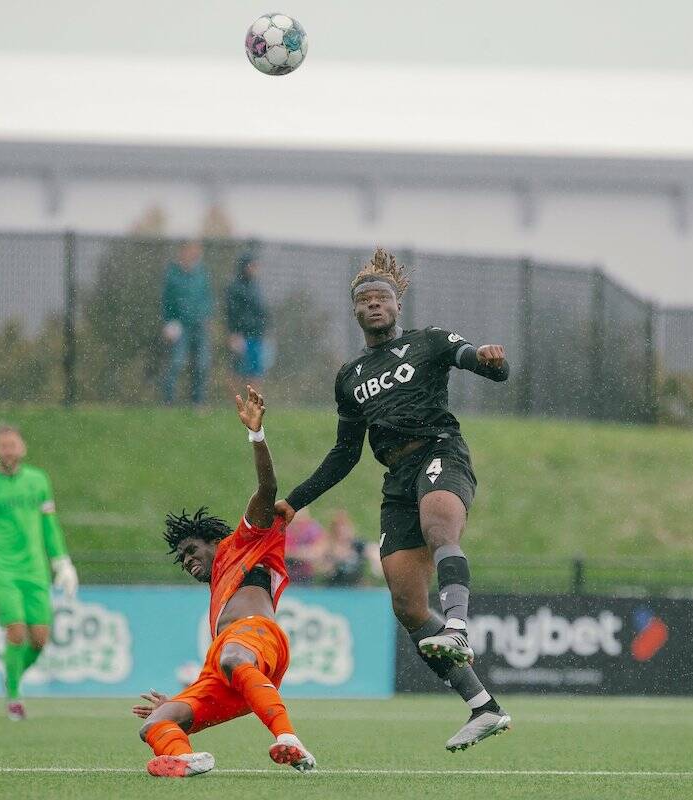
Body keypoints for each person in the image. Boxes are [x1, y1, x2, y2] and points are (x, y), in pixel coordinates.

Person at [274, 247, 512, 752]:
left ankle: (458, 626)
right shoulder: (350, 377)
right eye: (366, 300)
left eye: (383, 297)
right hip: (396, 478)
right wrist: (294, 502)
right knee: (405, 603)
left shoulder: (429, 342)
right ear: (356, 311)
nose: (375, 305)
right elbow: (344, 454)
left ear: (398, 305)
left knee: (440, 528)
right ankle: (483, 707)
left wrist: (491, 361)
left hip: (440, 451)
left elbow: (476, 360)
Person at [132, 386, 315, 778]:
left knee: (232, 655)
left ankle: (289, 739)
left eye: (192, 550)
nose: (188, 561)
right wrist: (178, 700)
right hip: (226, 666)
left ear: (214, 541)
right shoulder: (218, 590)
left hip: (256, 640)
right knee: (157, 721)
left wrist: (257, 435)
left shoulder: (243, 542)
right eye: (182, 559)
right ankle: (183, 759)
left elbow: (268, 490)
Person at [0, 424, 79, 720]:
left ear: (22, 448)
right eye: (3, 445)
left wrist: (61, 562)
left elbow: (50, 525)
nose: (8, 450)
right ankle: (14, 696)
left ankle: (11, 677)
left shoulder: (38, 482)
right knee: (15, 631)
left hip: (35, 568)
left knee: (39, 638)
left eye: (13, 445)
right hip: (2, 568)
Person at [160, 241, 213, 408]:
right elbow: (166, 301)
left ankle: (198, 402)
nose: (194, 254)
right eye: (191, 250)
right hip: (180, 326)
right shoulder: (172, 274)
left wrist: (207, 317)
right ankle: (168, 401)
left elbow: (207, 298)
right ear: (183, 251)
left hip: (199, 326)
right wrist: (168, 323)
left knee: (202, 365)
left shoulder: (202, 274)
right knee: (177, 363)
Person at [225, 251, 271, 391]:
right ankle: (237, 404)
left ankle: (253, 405)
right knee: (237, 371)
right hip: (241, 336)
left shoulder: (256, 287)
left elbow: (262, 311)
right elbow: (231, 313)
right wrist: (234, 334)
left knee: (256, 372)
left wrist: (266, 330)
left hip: (257, 335)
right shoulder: (234, 287)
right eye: (252, 265)